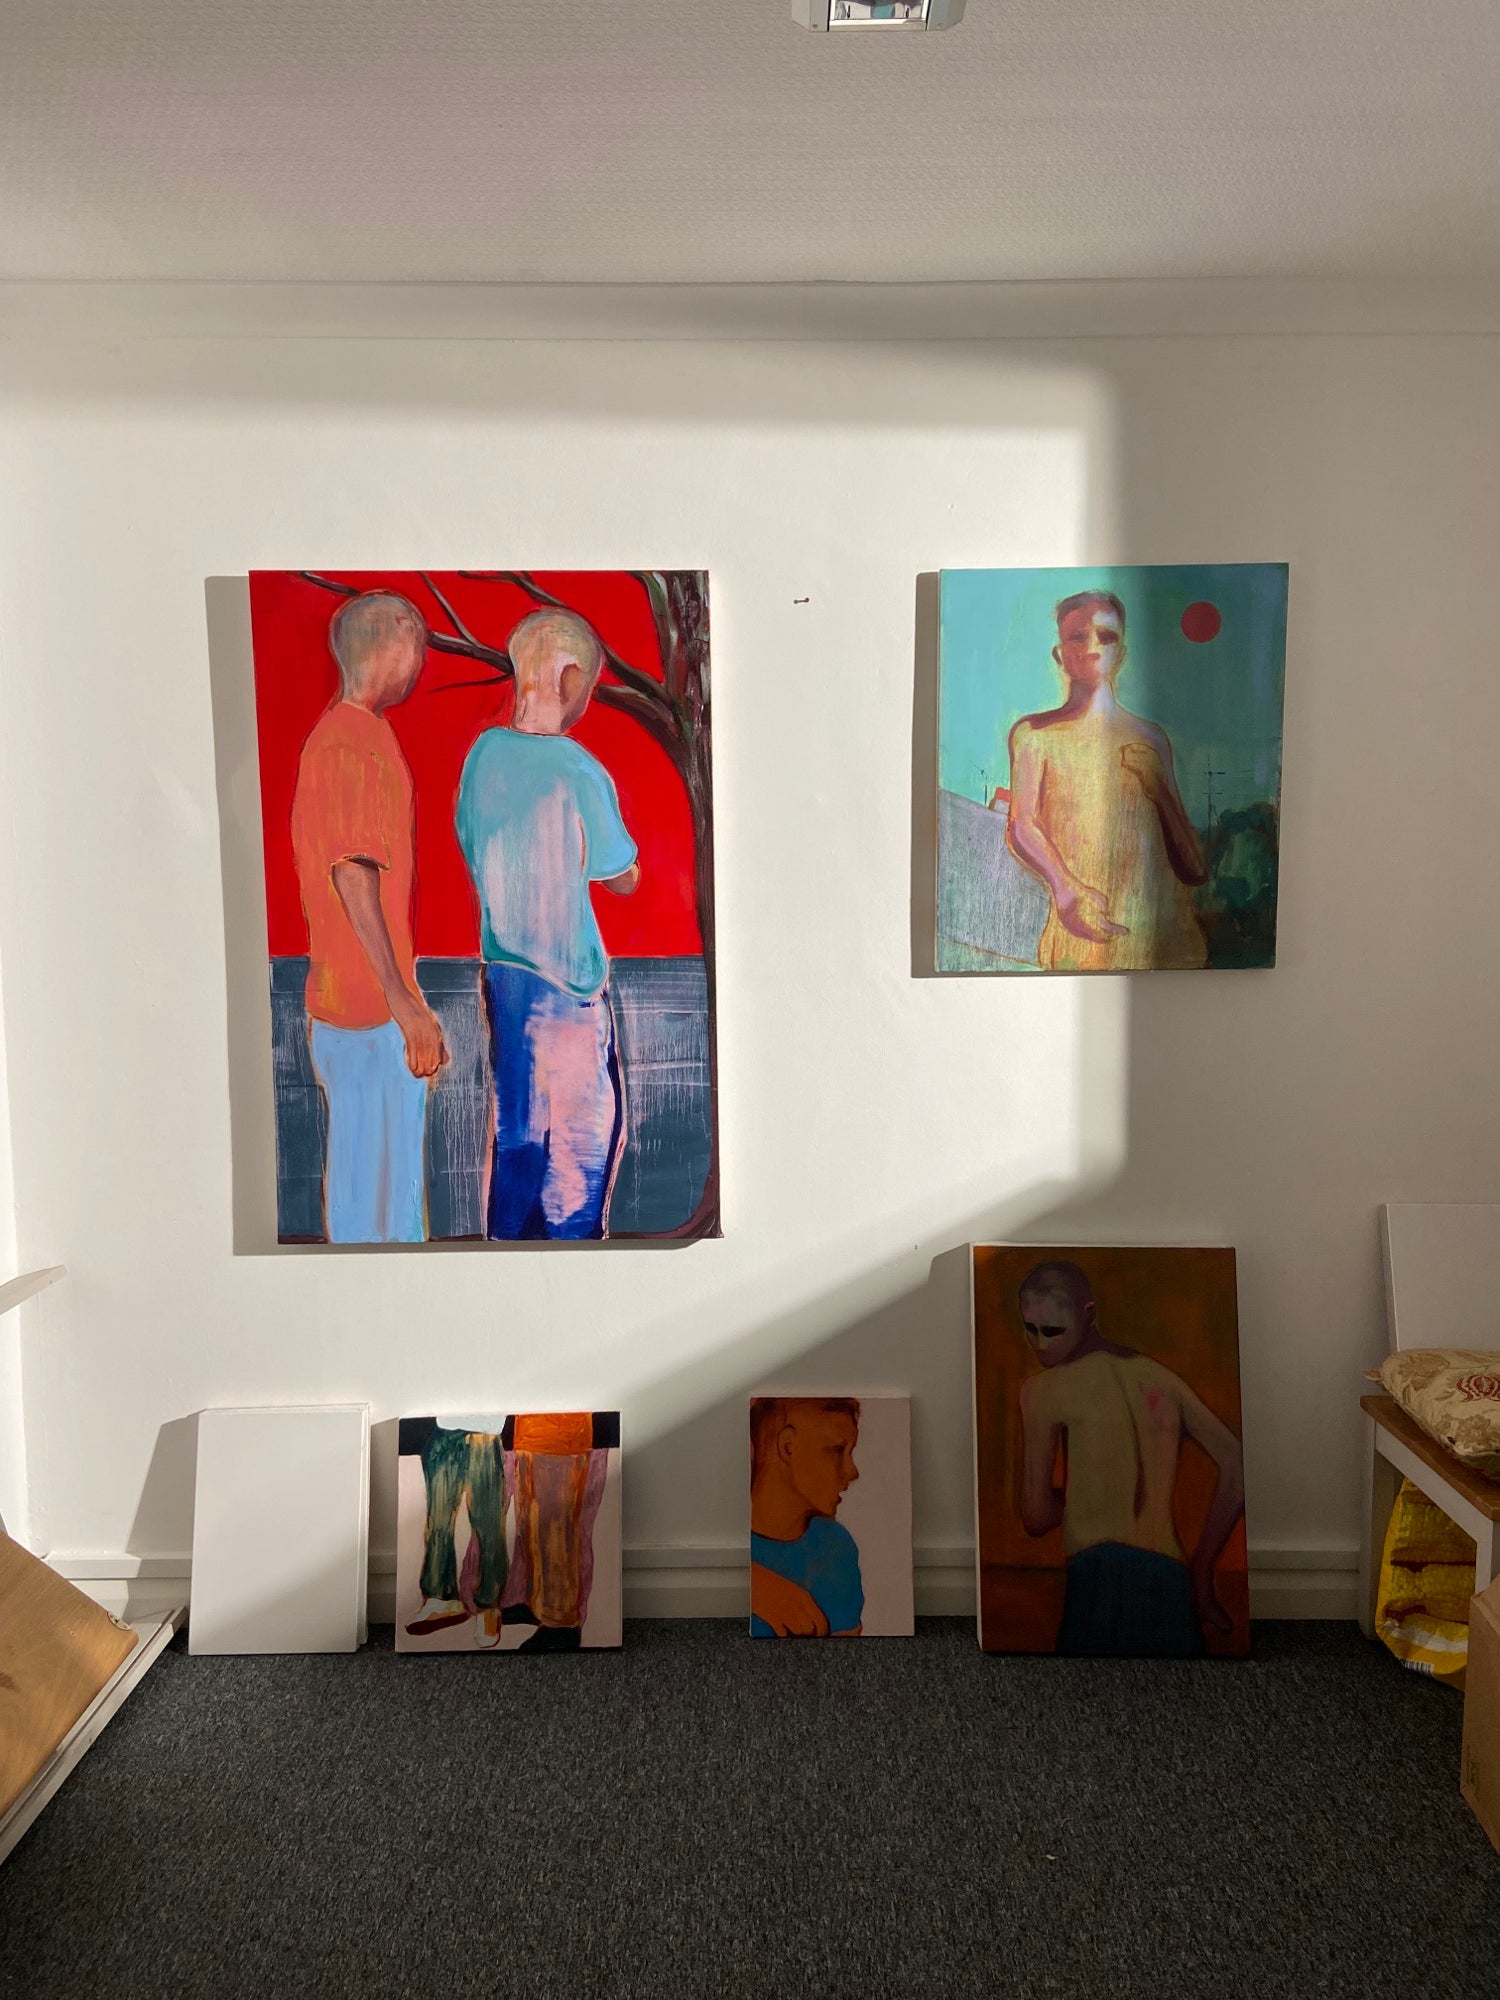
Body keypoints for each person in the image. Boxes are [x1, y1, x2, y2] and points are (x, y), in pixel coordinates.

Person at [455, 608, 639, 1241]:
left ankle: (508, 1251)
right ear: (568, 680)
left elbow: (469, 840)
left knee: (519, 1138)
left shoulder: (482, 758)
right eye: (588, 686)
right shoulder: (578, 769)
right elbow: (619, 871)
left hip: (503, 972)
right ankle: (573, 1256)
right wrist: (627, 871)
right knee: (582, 1150)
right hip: (568, 984)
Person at [290, 591, 449, 1243]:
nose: (420, 662)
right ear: (395, 645)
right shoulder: (350, 744)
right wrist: (403, 1000)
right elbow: (353, 875)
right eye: (418, 647)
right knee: (378, 1215)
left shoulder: (354, 736)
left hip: (358, 1010)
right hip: (365, 1015)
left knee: (383, 1207)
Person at [1014, 1259, 1245, 1656]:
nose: (1040, 1344)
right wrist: (1202, 1567)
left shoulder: (1043, 1391)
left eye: (1052, 1331)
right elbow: (1236, 1463)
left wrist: (1084, 1498)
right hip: (1170, 1576)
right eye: (1030, 1329)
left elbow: (1035, 1517)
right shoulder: (1162, 1381)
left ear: (1089, 1315)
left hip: (1097, 1576)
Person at [999, 590, 1209, 972]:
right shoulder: (1034, 736)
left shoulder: (1151, 739)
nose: (1092, 647)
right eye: (1078, 636)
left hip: (1166, 945)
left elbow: (1194, 868)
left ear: (1122, 654)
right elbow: (1021, 825)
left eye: (1106, 636)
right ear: (1060, 655)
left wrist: (1159, 791)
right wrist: (1067, 890)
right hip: (1079, 941)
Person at [750, 1398, 864, 1637]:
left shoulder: (836, 1548)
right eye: (836, 1450)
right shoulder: (735, 1539)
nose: (852, 1472)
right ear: (788, 1446)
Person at [402, 1417, 508, 1649]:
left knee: (488, 1527)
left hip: (484, 1435)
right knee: (438, 1525)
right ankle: (440, 1599)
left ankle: (489, 1607)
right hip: (443, 1433)